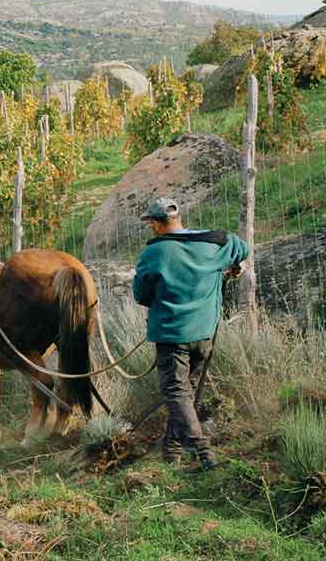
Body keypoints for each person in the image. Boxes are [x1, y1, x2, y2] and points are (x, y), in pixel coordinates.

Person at [132, 197, 248, 469]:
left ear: (158, 225)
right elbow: (243, 249)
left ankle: (203, 451)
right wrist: (233, 268)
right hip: (204, 333)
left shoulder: (154, 253)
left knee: (175, 391)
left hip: (173, 335)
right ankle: (171, 452)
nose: (151, 229)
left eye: (151, 224)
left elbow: (141, 294)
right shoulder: (215, 243)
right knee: (186, 391)